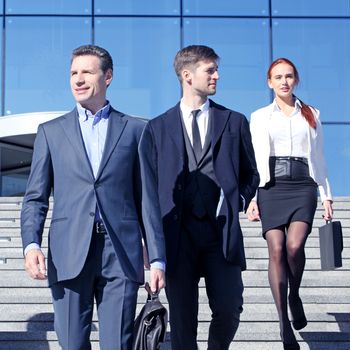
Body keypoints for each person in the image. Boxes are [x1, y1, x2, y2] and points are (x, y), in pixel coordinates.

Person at [20, 44, 165, 350]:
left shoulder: (136, 130)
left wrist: (156, 259)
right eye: (73, 72)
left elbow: (148, 201)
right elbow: (35, 196)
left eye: (87, 71)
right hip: (68, 250)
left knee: (117, 344)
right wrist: (31, 244)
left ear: (108, 76)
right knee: (72, 343)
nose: (78, 79)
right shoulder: (50, 132)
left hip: (121, 252)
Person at [138, 45, 259, 350]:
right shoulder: (156, 128)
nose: (217, 76)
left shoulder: (234, 121)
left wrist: (238, 203)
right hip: (177, 238)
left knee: (230, 309)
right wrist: (150, 245)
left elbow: (251, 174)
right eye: (211, 70)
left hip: (221, 235)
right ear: (187, 75)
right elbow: (148, 189)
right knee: (182, 322)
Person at [247, 57, 333, 350]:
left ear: (296, 79)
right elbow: (256, 158)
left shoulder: (311, 113)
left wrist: (327, 194)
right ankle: (285, 325)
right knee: (277, 249)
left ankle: (293, 293)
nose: (284, 81)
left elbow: (319, 157)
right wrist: (253, 197)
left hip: (303, 186)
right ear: (269, 82)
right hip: (272, 187)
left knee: (295, 246)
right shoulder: (260, 116)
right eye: (278, 77)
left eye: (289, 76)